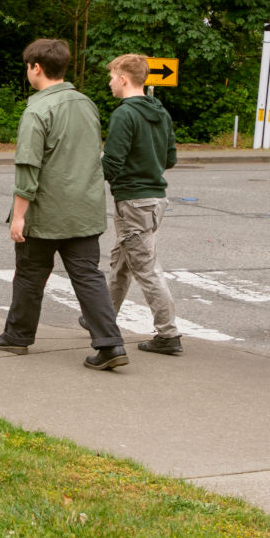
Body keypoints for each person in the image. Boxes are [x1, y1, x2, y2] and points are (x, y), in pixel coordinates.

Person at [0, 38, 128, 369]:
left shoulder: (37, 109)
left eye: (28, 67)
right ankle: (110, 344)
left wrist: (18, 216)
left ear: (36, 68)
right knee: (88, 276)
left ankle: (18, 336)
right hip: (84, 209)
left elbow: (28, 168)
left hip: (46, 212)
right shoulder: (86, 103)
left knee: (30, 273)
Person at [103, 53, 182, 355]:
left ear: (124, 78)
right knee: (122, 261)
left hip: (132, 201)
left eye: (112, 77)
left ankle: (168, 334)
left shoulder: (124, 114)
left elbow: (112, 162)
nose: (110, 82)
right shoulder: (159, 111)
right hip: (155, 199)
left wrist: (91, 173)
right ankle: (103, 317)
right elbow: (170, 158)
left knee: (145, 268)